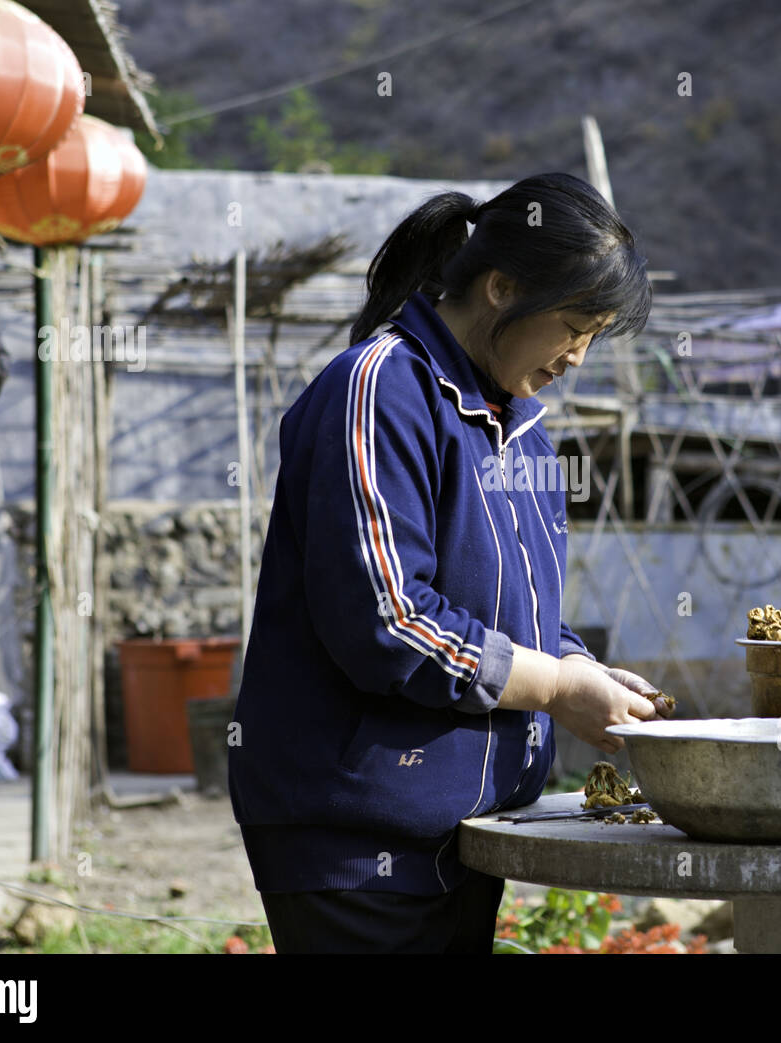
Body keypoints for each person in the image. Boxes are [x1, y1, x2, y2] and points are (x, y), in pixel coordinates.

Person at [228, 171, 667, 953]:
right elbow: (390, 620)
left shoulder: (520, 428)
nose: (578, 356)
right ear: (501, 287)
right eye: (573, 324)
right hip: (355, 838)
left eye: (594, 334)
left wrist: (577, 663)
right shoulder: (379, 390)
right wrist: (558, 687)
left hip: (462, 833)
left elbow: (511, 613)